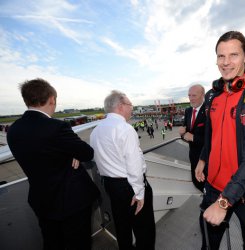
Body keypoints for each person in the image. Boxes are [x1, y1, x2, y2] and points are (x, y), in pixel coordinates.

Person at [195, 31, 245, 250]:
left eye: (233, 55)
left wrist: (224, 201)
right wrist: (203, 159)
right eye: (221, 56)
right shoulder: (213, 95)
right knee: (208, 244)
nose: (226, 62)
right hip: (213, 186)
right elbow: (211, 135)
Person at [7, 78, 100, 250]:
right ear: (51, 99)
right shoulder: (56, 127)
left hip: (42, 201)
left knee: (52, 243)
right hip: (72, 203)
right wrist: (74, 153)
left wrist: (70, 153)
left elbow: (45, 155)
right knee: (79, 244)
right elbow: (87, 153)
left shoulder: (13, 130)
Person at [90, 90, 155, 250]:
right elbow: (134, 165)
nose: (132, 108)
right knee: (144, 229)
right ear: (120, 106)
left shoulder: (96, 131)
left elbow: (95, 158)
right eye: (130, 104)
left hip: (111, 186)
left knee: (122, 225)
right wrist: (139, 193)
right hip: (130, 187)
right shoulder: (125, 129)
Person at [178, 84, 207, 192]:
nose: (190, 98)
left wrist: (194, 138)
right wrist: (182, 133)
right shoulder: (188, 111)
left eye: (194, 95)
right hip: (193, 157)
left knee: (207, 187)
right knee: (196, 182)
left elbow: (213, 139)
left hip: (206, 159)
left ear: (203, 95)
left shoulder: (209, 111)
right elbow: (186, 134)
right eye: (189, 95)